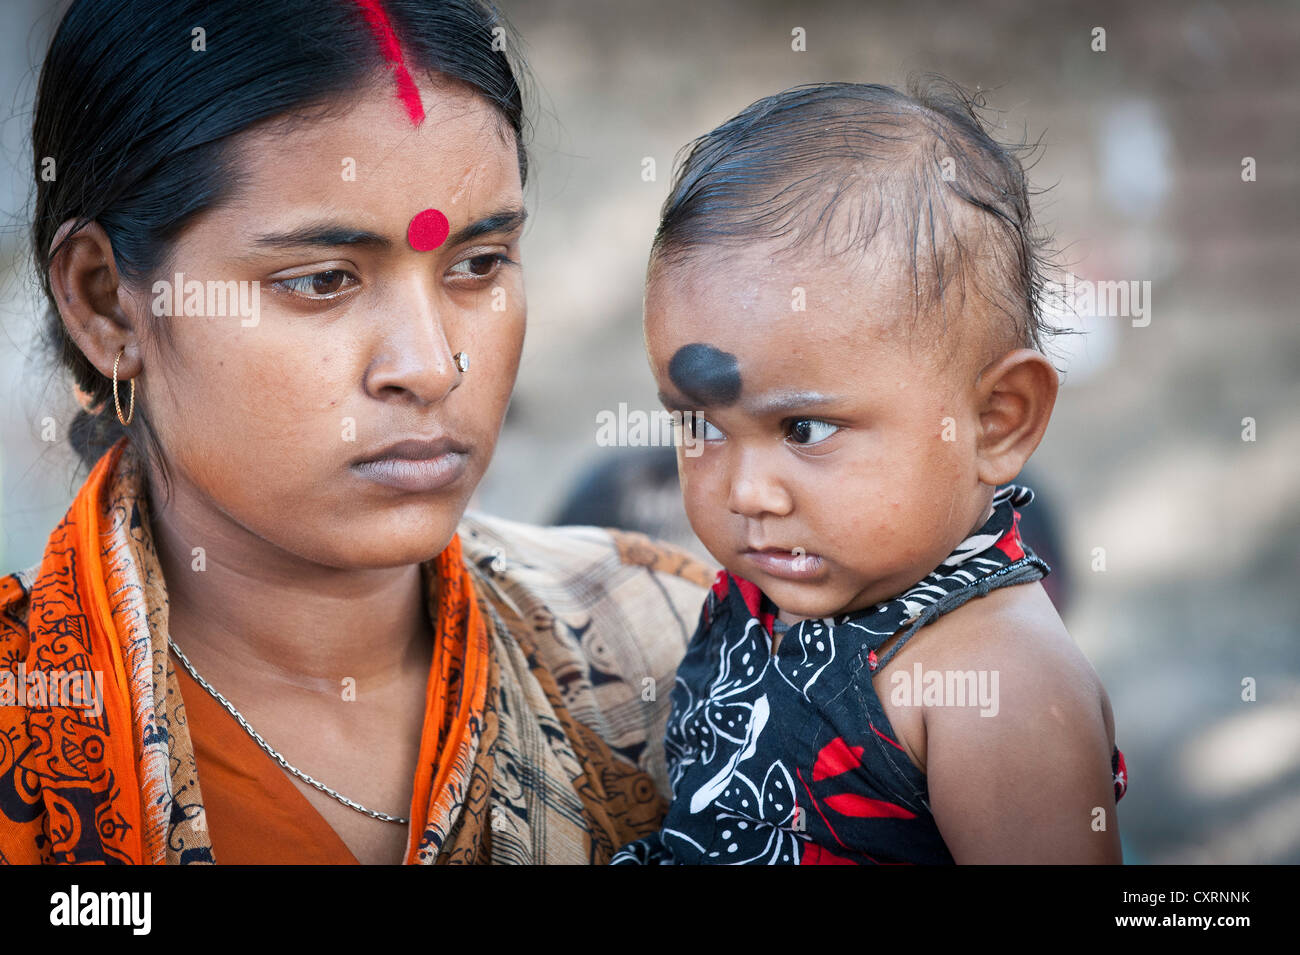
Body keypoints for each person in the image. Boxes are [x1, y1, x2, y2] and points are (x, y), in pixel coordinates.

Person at [0, 0, 713, 865]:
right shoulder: (26, 716)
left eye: (479, 265)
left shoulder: (684, 658)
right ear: (108, 301)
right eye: (323, 279)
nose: (431, 364)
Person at [612, 78, 1127, 865]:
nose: (747, 493)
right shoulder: (773, 594)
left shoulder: (999, 684)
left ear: (998, 420)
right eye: (701, 424)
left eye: (806, 428)